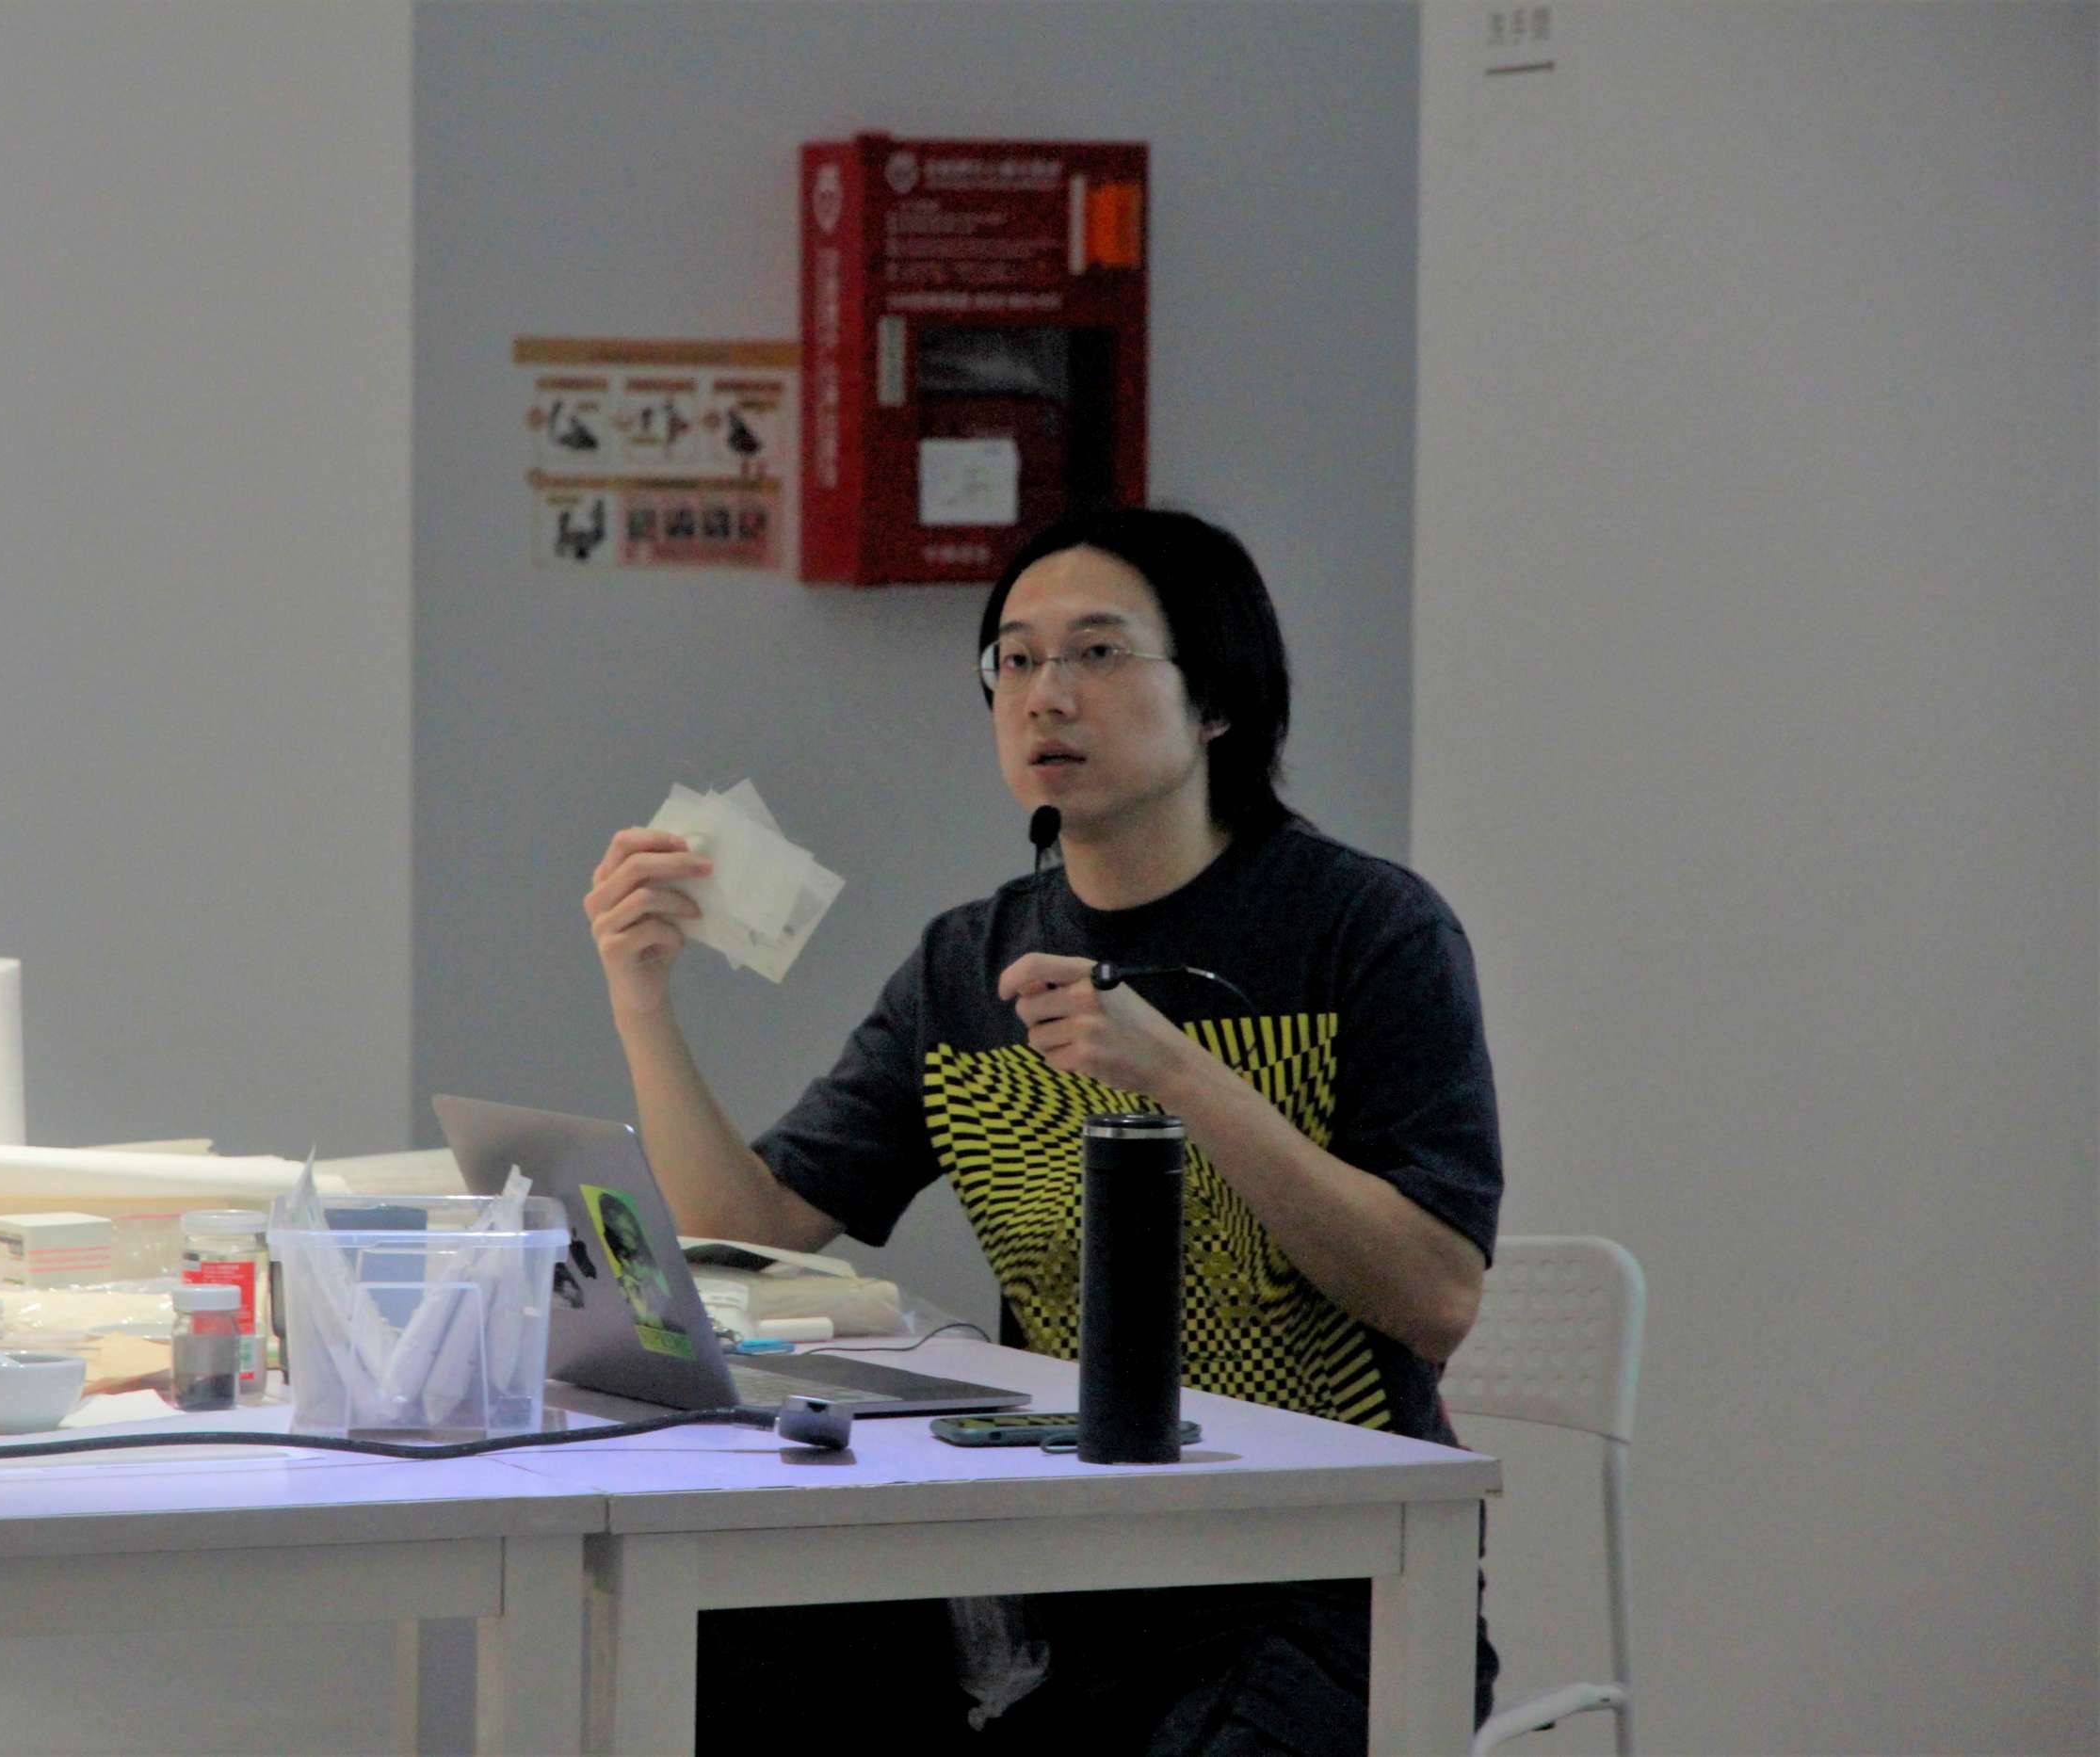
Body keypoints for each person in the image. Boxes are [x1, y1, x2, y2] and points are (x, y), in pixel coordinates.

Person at [581, 507, 1501, 1755]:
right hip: (1065, 1581)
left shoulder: (1367, 932)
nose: (1044, 695)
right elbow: (744, 1228)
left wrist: (1175, 1072)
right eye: (1014, 660)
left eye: (1097, 653)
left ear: (1216, 701)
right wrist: (643, 1000)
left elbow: (1438, 1296)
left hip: (1335, 1588)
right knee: (736, 1666)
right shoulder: (971, 962)